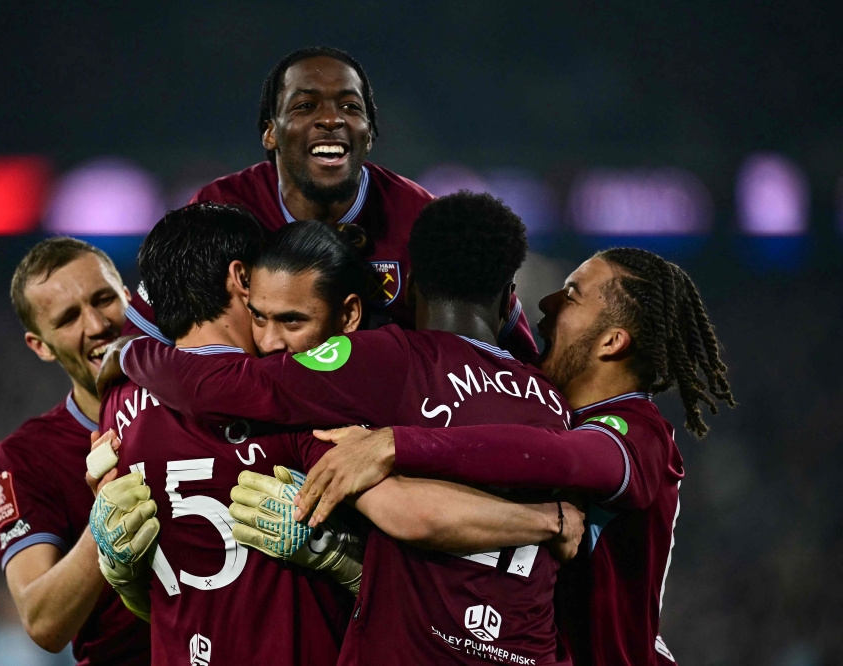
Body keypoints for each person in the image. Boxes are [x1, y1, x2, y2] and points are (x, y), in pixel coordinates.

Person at [105, 192, 578, 665]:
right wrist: (550, 520)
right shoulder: (552, 400)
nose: (272, 344)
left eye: (291, 320)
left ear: (405, 289)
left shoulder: (382, 362)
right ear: (507, 298)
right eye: (260, 317)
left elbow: (224, 388)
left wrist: (132, 352)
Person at [292, 248, 735, 666]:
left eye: (572, 295)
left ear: (612, 342)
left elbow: (562, 458)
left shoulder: (639, 433)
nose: (547, 303)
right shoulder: (534, 401)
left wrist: (394, 443)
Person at [122, 46, 537, 358]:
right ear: (270, 132)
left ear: (369, 132)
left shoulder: (423, 222)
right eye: (305, 105)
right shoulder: (220, 209)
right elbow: (139, 343)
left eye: (349, 107)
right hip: (253, 429)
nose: (331, 119)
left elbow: (513, 360)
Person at [0, 238, 150, 664]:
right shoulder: (26, 457)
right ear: (39, 345)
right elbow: (43, 623)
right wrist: (103, 529)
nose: (97, 325)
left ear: (128, 298)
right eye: (68, 318)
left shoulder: (201, 398)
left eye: (104, 300)